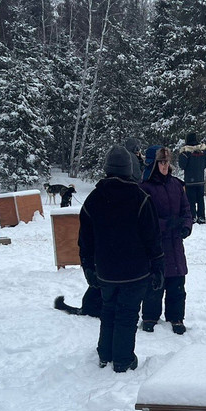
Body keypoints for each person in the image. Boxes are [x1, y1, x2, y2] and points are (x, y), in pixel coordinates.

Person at [78, 145, 164, 372]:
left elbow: (85, 240)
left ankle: (105, 354)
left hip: (105, 271)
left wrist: (88, 267)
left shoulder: (93, 200)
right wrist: (158, 267)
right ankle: (123, 360)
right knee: (127, 314)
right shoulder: (141, 198)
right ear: (129, 170)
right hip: (136, 272)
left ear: (107, 169)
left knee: (109, 310)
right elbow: (153, 238)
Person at [140, 146, 193, 334]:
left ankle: (176, 317)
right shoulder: (145, 187)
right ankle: (150, 316)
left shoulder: (176, 185)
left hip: (176, 243)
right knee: (155, 282)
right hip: (156, 245)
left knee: (177, 282)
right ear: (153, 164)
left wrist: (186, 226)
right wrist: (165, 224)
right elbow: (143, 219)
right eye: (161, 162)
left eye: (167, 162)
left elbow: (187, 209)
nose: (165, 166)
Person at [178, 132, 206, 225]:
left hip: (189, 180)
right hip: (200, 179)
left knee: (190, 200)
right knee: (200, 199)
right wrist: (200, 167)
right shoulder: (203, 150)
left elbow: (182, 165)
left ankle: (192, 217)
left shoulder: (186, 152)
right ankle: (201, 217)